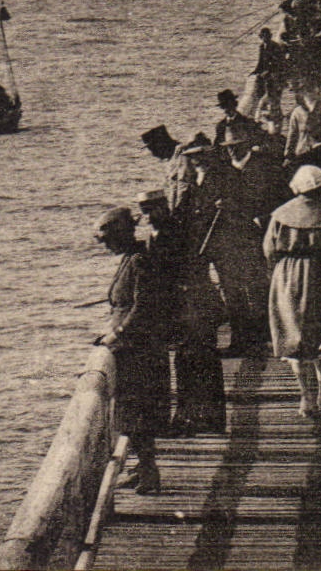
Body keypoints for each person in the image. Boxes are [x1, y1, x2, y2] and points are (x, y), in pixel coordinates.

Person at [94, 206, 172, 494]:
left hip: (140, 349)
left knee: (139, 412)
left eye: (109, 240)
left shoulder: (140, 261)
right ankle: (143, 467)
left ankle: (150, 474)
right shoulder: (132, 257)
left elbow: (143, 305)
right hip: (131, 347)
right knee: (132, 411)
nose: (107, 246)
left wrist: (119, 332)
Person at [139, 186, 226, 436]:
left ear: (163, 207)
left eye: (151, 210)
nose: (148, 215)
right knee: (192, 361)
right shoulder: (162, 231)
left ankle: (200, 418)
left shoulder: (172, 232)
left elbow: (177, 270)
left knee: (198, 361)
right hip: (186, 305)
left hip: (192, 304)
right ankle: (199, 417)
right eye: (144, 211)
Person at [264, 165, 321, 417]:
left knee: (294, 335)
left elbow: (269, 249)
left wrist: (275, 272)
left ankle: (306, 398)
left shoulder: (280, 214)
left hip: (287, 273)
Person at [204, 133, 273, 355]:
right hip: (231, 242)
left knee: (254, 288)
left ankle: (260, 336)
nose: (231, 150)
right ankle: (245, 338)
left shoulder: (254, 169)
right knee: (236, 291)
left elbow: (256, 202)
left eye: (236, 146)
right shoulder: (227, 172)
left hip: (248, 237)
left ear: (246, 145)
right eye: (228, 147)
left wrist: (231, 206)